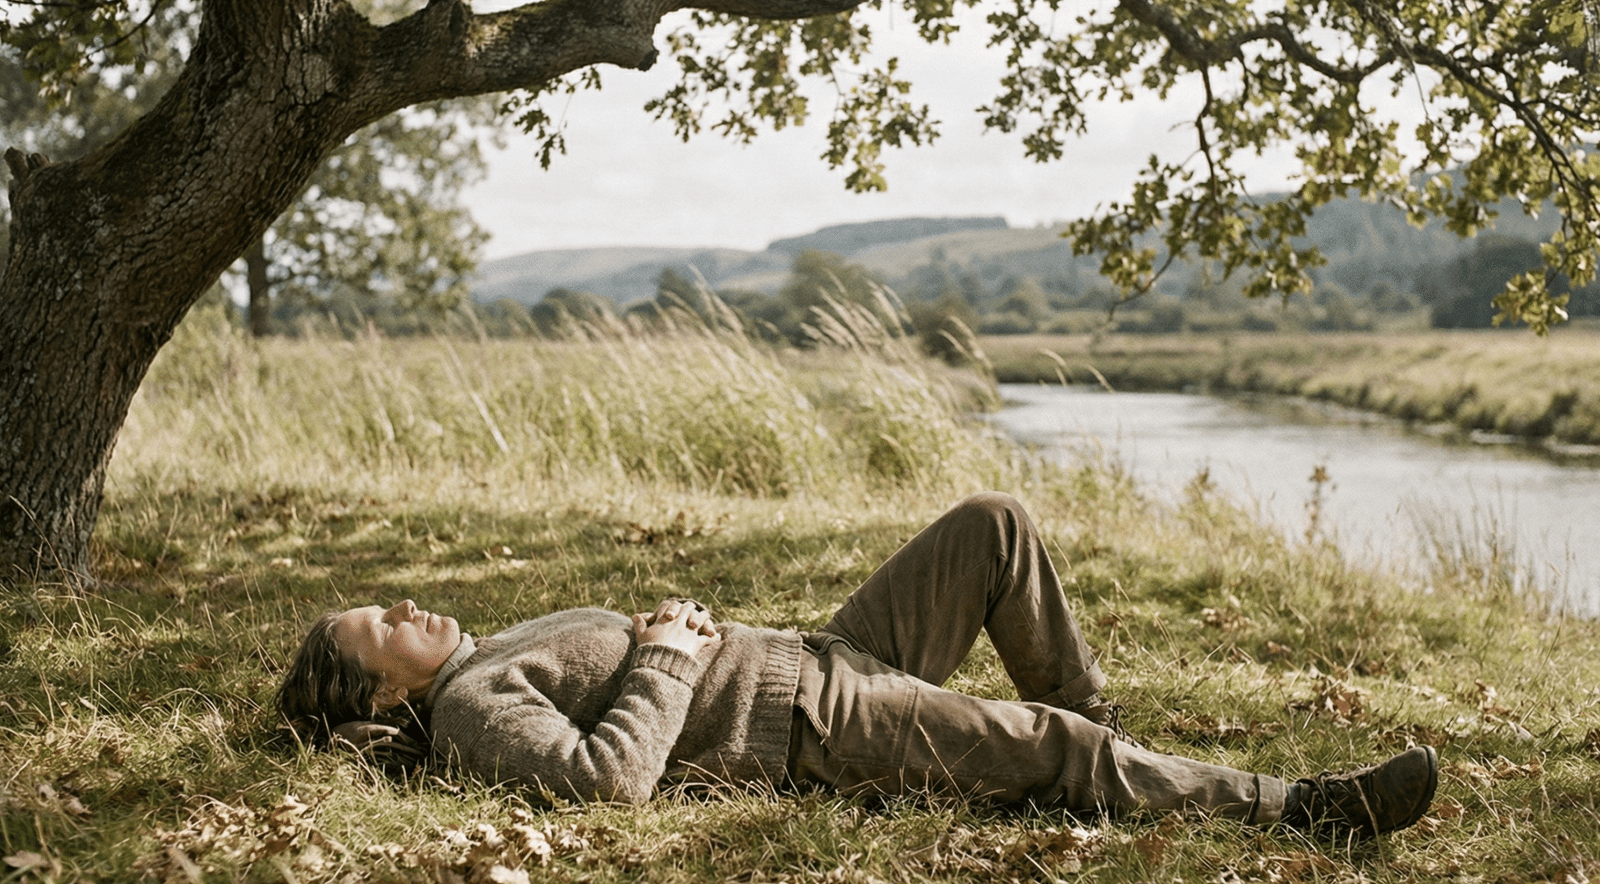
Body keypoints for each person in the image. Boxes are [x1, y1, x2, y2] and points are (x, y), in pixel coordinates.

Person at [276, 492, 1438, 838]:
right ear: (386, 689)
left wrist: (652, 636)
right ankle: (1304, 808)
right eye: (381, 624)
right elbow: (602, 782)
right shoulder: (471, 704)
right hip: (811, 723)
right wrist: (667, 655)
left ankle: (1112, 739)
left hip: (817, 653)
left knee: (992, 525)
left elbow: (605, 687)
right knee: (1052, 748)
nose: (405, 604)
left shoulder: (489, 654)